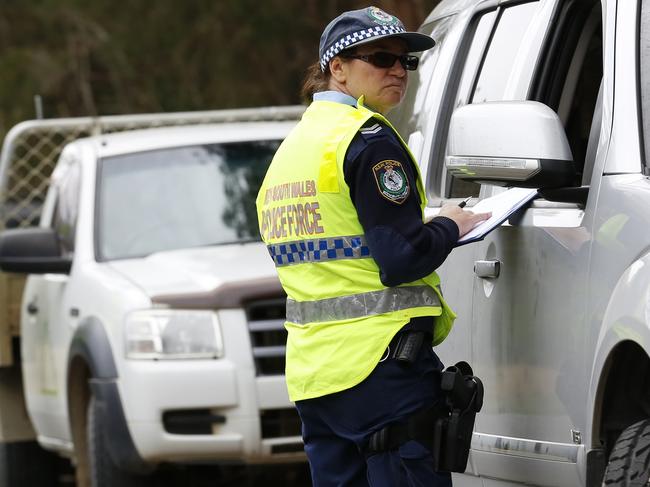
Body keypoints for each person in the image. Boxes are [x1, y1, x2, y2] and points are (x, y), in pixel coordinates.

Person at [256, 6, 490, 487]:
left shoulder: (293, 149)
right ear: (335, 68)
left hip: (315, 378)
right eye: (381, 58)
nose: (398, 71)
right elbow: (400, 259)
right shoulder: (367, 140)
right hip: (383, 371)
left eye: (407, 61)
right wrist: (450, 225)